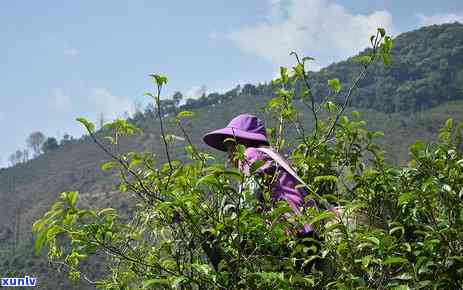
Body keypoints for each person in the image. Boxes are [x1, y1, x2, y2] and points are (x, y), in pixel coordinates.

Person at [202, 113, 321, 271]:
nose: (229, 156)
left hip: (290, 234)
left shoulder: (249, 155)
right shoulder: (272, 155)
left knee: (209, 236)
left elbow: (248, 204)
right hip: (309, 230)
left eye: (229, 147)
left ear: (241, 143)